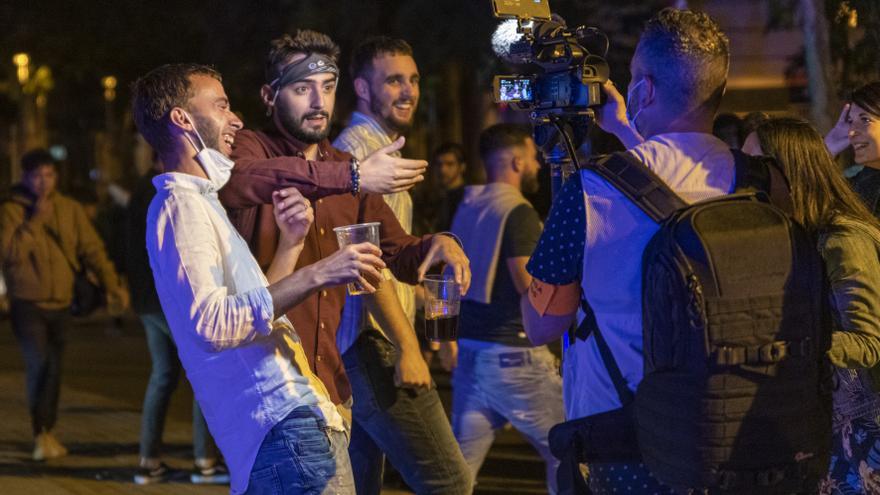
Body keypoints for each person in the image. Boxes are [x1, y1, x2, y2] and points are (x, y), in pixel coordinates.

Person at [220, 30, 472, 495]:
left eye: (327, 86)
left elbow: (397, 251)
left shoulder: (343, 165)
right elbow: (240, 181)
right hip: (272, 390)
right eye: (302, 88)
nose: (319, 101)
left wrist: (439, 243)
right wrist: (353, 174)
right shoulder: (254, 150)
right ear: (269, 96)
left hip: (332, 389)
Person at [132, 63, 387, 495]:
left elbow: (253, 309)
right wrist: (321, 271)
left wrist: (290, 244)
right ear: (182, 119)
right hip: (283, 427)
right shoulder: (181, 206)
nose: (236, 119)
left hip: (284, 430)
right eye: (221, 105)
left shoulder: (200, 202)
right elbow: (212, 324)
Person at [520, 8, 732, 491]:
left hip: (625, 443)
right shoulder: (756, 179)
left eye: (634, 77)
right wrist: (625, 130)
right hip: (735, 433)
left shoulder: (591, 189)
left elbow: (542, 324)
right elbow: (673, 177)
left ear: (646, 90)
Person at [331, 35, 472, 494]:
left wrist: (437, 333)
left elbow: (409, 258)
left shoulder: (378, 149)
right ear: (363, 88)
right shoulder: (363, 156)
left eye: (413, 79)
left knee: (360, 486)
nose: (409, 90)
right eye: (393, 80)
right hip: (372, 346)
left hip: (365, 347)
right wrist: (410, 348)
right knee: (450, 481)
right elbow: (367, 270)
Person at [743, 117, 880, 494]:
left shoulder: (843, 239)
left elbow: (867, 343)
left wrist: (788, 346)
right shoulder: (796, 235)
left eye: (754, 165)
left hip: (864, 434)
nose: (744, 177)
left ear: (788, 168)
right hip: (825, 426)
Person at [450, 123, 564, 493]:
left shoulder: (468, 205)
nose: (537, 165)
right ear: (517, 160)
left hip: (471, 355)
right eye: (532, 157)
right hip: (517, 361)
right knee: (570, 452)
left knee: (458, 475)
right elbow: (529, 287)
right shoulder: (518, 212)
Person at [0, 149, 129, 461]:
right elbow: (9, 255)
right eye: (36, 176)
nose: (43, 182)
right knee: (39, 365)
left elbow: (93, 250)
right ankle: (39, 433)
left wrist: (112, 286)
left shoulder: (69, 209)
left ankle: (48, 431)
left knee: (55, 369)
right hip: (27, 304)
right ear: (25, 177)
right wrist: (33, 222)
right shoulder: (10, 211)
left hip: (62, 304)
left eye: (49, 175)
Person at [126, 153, 228, 485]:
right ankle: (205, 462)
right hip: (167, 300)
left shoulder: (140, 193)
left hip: (146, 301)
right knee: (205, 372)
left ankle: (148, 461)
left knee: (164, 375)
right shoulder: (168, 194)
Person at [825, 82, 880, 214]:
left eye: (865, 120)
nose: (851, 132)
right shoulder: (862, 183)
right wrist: (827, 149)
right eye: (850, 121)